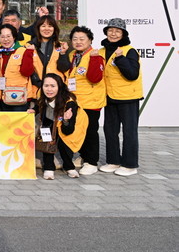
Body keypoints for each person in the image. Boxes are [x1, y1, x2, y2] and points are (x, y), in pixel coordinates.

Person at [56, 25, 104, 176]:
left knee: (90, 131)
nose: (78, 42)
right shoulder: (73, 55)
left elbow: (95, 78)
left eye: (82, 39)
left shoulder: (95, 55)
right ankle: (83, 156)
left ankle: (92, 162)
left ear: (90, 40)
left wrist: (95, 59)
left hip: (91, 101)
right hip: (75, 100)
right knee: (77, 130)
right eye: (75, 39)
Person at [99, 18, 143, 177]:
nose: (113, 34)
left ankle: (130, 165)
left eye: (117, 31)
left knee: (129, 132)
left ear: (123, 34)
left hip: (128, 98)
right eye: (110, 30)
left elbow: (132, 74)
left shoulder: (129, 51)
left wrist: (120, 58)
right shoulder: (101, 51)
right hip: (109, 97)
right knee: (110, 130)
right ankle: (113, 161)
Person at [31, 74, 88, 180]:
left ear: (59, 87)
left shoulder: (69, 103)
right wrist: (33, 110)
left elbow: (68, 130)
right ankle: (48, 167)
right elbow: (39, 106)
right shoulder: (43, 98)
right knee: (47, 140)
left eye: (53, 86)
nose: (49, 89)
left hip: (65, 126)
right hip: (49, 123)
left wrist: (66, 120)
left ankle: (69, 166)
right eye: (46, 86)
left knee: (64, 143)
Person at [0, 24, 35, 111]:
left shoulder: (24, 51)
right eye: (2, 37)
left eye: (8, 36)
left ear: (14, 37)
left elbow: (26, 72)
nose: (6, 39)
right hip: (3, 96)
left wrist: (29, 53)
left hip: (19, 96)